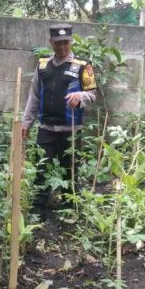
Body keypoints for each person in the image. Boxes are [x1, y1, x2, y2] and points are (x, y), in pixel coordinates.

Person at [22, 24, 98, 215]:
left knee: (69, 170)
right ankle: (37, 212)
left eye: (65, 42)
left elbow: (93, 94)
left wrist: (80, 97)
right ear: (51, 43)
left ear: (70, 41)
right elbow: (34, 97)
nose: (62, 47)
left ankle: (69, 211)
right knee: (42, 170)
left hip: (70, 130)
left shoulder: (84, 66)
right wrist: (26, 122)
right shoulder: (42, 66)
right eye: (58, 43)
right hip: (46, 128)